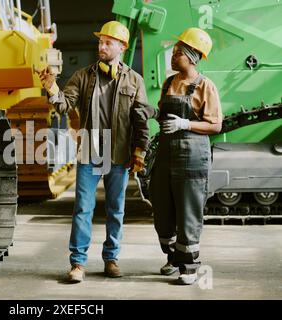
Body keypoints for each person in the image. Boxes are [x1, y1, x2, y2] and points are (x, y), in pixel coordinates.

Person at [38, 21, 150, 283]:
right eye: (100, 42)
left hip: (119, 153)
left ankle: (111, 259)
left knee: (116, 209)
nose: (101, 46)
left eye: (107, 42)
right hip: (90, 151)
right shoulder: (83, 76)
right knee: (83, 209)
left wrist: (140, 151)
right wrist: (52, 88)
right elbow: (65, 106)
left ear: (121, 46)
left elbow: (141, 120)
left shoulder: (135, 80)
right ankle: (77, 263)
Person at [145, 27, 223, 285]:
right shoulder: (169, 82)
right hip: (166, 154)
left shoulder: (205, 86)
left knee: (188, 213)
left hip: (192, 157)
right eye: (174, 51)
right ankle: (173, 257)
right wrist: (151, 113)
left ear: (192, 56)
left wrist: (185, 124)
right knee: (162, 210)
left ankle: (188, 267)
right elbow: (163, 114)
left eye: (178, 52)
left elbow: (215, 125)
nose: (173, 55)